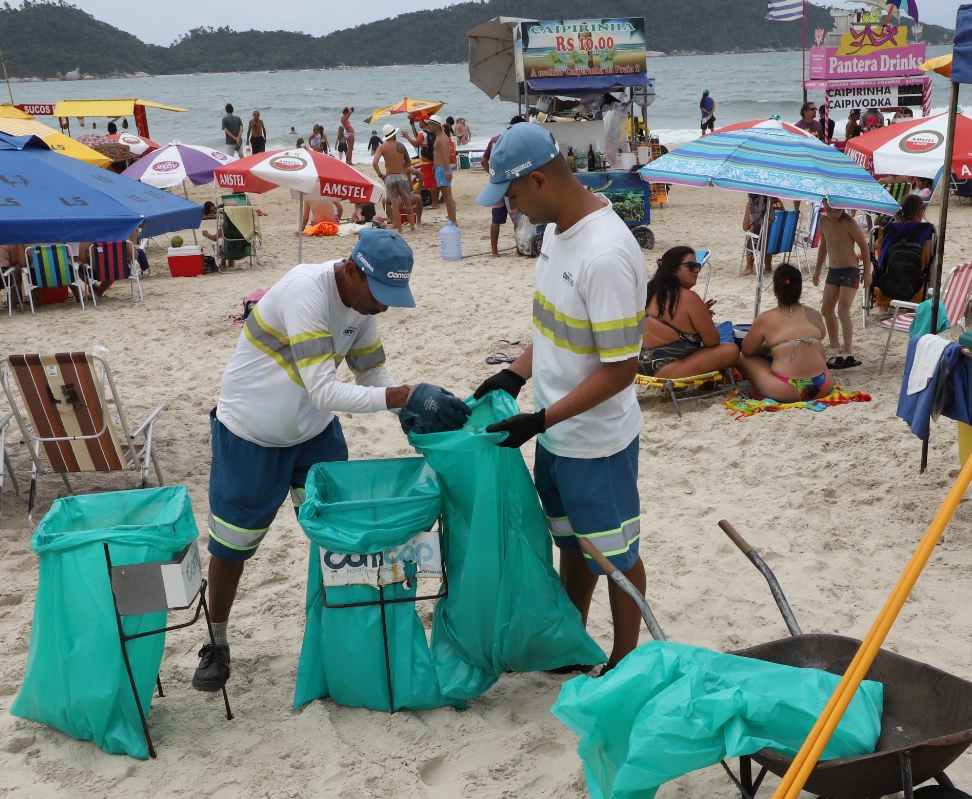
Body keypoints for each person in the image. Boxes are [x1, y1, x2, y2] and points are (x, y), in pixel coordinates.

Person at [193, 230, 468, 691]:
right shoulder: (307, 291)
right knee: (232, 546)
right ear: (351, 270)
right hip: (250, 434)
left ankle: (340, 629)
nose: (383, 307)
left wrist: (409, 410)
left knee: (335, 534)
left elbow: (371, 371)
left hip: (314, 434)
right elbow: (324, 388)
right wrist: (404, 395)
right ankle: (215, 641)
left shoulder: (361, 305)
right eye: (380, 294)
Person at [469, 123, 648, 670]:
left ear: (541, 181)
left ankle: (623, 657)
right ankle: (573, 640)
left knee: (614, 554)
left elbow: (621, 370)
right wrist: (515, 376)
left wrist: (540, 419)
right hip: (555, 431)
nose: (511, 208)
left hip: (595, 442)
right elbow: (551, 329)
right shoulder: (555, 231)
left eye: (514, 196)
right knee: (572, 542)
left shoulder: (606, 255)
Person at [639, 246, 739, 379]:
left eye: (697, 265)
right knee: (731, 350)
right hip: (665, 369)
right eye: (691, 266)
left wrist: (699, 316)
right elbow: (712, 341)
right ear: (674, 269)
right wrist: (704, 320)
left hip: (639, 364)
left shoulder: (651, 292)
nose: (697, 270)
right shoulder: (688, 297)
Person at [738, 265, 833, 403]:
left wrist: (768, 347)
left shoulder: (765, 319)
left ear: (776, 290)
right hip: (822, 383)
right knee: (814, 346)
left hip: (787, 389)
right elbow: (822, 334)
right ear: (800, 290)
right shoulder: (814, 314)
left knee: (741, 357)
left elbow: (747, 351)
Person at [811, 204, 872, 365]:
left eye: (837, 210)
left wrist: (867, 271)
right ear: (824, 204)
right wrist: (817, 270)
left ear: (844, 207)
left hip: (850, 270)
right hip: (833, 271)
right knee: (826, 309)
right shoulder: (823, 222)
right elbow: (823, 247)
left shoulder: (849, 223)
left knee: (843, 309)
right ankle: (834, 343)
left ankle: (848, 349)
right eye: (829, 209)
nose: (833, 213)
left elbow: (864, 247)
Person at [876, 193, 936, 302]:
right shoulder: (927, 230)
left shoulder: (890, 229)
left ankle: (883, 307)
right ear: (919, 212)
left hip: (888, 284)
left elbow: (882, 258)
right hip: (916, 284)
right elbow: (928, 262)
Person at [483, 115, 529, 256]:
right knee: (517, 219)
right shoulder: (517, 141)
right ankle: (519, 249)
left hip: (496, 185)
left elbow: (484, 161)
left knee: (496, 219)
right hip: (511, 185)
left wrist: (492, 175)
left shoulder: (495, 140)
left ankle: (494, 251)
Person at [373, 127, 418, 231]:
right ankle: (412, 227)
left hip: (390, 177)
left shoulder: (382, 147)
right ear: (393, 134)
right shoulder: (401, 146)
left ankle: (400, 230)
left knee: (395, 206)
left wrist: (380, 175)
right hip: (402, 176)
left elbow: (375, 163)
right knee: (408, 204)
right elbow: (408, 163)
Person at [424, 117, 458, 225]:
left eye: (430, 124)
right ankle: (451, 219)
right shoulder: (441, 137)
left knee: (447, 197)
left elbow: (445, 154)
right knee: (447, 196)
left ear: (435, 125)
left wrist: (446, 170)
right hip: (440, 168)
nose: (428, 126)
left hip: (443, 168)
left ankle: (453, 220)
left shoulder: (441, 138)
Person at [742, 193, 783, 275]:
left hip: (763, 243)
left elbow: (745, 227)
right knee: (769, 233)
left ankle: (749, 267)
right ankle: (768, 267)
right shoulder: (776, 200)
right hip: (781, 242)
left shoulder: (753, 204)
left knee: (753, 235)